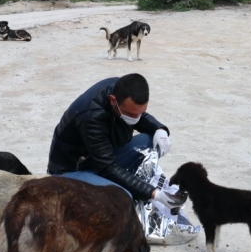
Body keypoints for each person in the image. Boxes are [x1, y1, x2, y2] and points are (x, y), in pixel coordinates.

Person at [47, 73, 184, 210]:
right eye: (131, 115)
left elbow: (138, 115)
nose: (136, 118)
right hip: (72, 169)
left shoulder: (121, 90)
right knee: (123, 198)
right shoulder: (91, 118)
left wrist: (160, 129)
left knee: (149, 140)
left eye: (140, 113)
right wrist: (153, 193)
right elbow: (108, 167)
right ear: (113, 100)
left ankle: (125, 183)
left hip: (98, 158)